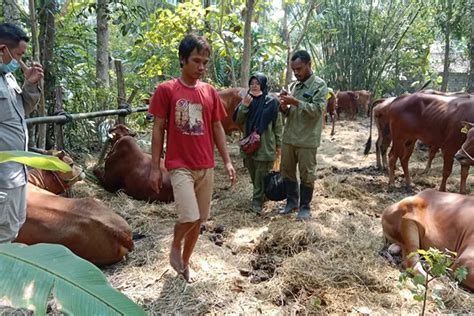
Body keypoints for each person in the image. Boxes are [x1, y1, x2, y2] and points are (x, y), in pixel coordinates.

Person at [149, 34, 236, 283]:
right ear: (182, 60)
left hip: (205, 165)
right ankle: (176, 244)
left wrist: (227, 161)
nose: (201, 67)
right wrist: (155, 167)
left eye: (205, 62)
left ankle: (185, 264)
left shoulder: (209, 92)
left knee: (199, 221)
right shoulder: (166, 90)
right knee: (188, 216)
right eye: (196, 61)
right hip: (179, 166)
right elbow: (158, 128)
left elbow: (218, 127)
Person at [0, 23, 43, 243]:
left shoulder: (8, 78)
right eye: (18, 55)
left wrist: (31, 84)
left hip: (16, 174)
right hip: (2, 178)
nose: (20, 61)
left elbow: (21, 111)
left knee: (12, 228)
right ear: (2, 49)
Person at [279, 50, 328, 220]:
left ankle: (305, 207)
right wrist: (284, 108)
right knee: (287, 171)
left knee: (307, 174)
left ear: (309, 64)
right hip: (289, 138)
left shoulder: (320, 86)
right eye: (294, 70)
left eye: (299, 69)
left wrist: (295, 102)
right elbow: (292, 112)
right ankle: (291, 203)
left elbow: (317, 111)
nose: (296, 73)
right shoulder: (294, 86)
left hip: (307, 139)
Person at [233, 73, 282, 214]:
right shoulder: (247, 100)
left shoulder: (271, 102)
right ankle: (262, 195)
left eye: (257, 83)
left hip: (265, 146)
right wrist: (244, 106)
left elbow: (277, 126)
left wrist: (279, 146)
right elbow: (238, 120)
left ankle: (257, 202)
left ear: (263, 85)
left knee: (261, 174)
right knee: (253, 172)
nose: (254, 86)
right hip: (249, 145)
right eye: (252, 83)